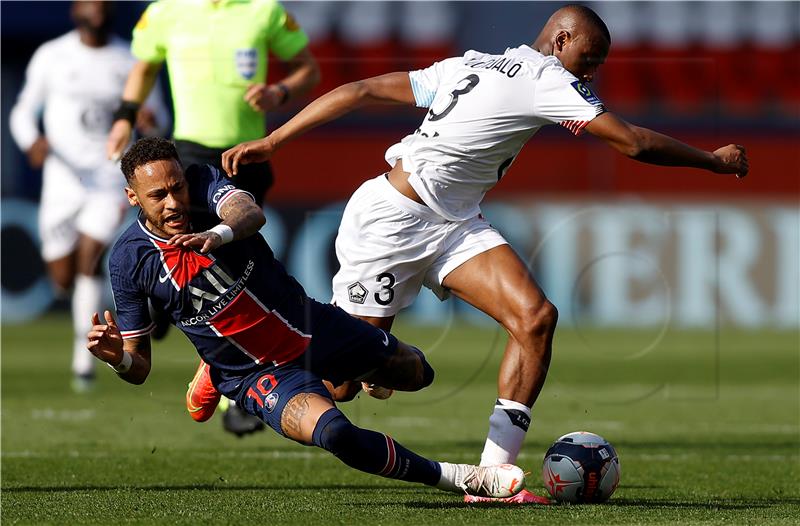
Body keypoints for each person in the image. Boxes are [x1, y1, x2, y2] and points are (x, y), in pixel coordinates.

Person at [220, 4, 750, 504]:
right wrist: (713, 161)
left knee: (535, 318)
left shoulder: (472, 64)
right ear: (560, 40)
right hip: (389, 224)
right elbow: (631, 142)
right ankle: (247, 355)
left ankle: (494, 476)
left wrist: (276, 140)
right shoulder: (547, 79)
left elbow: (360, 90)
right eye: (587, 61)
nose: (587, 76)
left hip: (453, 225)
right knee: (340, 383)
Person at [85, 136, 526, 500]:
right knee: (335, 434)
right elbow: (137, 365)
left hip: (310, 325)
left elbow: (249, 213)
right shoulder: (128, 261)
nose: (173, 202)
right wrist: (117, 359)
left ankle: (347, 371)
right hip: (252, 373)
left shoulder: (201, 184)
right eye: (158, 195)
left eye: (176, 187)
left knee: (418, 373)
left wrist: (216, 234)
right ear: (132, 197)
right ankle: (465, 479)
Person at [105, 0, 321, 435]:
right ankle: (166, 319)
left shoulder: (264, 11)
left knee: (241, 266)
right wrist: (124, 117)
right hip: (193, 155)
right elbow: (144, 66)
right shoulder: (167, 12)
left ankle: (224, 380)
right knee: (197, 265)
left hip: (247, 154)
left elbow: (308, 71)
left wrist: (279, 92)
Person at [8, 1, 168, 393]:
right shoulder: (53, 55)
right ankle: (123, 306)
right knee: (62, 277)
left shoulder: (129, 57)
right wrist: (31, 140)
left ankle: (84, 359)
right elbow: (23, 111)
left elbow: (159, 116)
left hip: (109, 175)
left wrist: (149, 121)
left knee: (89, 257)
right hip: (62, 179)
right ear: (75, 9)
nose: (97, 7)